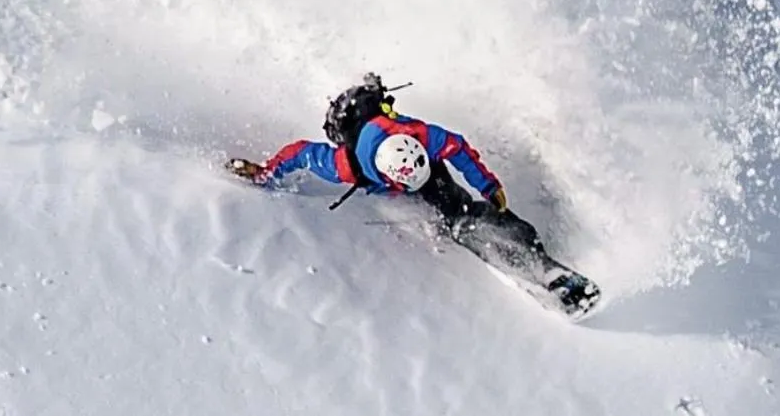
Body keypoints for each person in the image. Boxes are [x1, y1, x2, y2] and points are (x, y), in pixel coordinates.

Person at [227, 73, 597, 313]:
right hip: (363, 138)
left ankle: (538, 260)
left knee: (460, 208)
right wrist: (264, 174)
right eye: (408, 186)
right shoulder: (347, 165)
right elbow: (300, 154)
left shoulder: (421, 135)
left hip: (414, 159)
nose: (412, 189)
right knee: (453, 211)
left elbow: (459, 149)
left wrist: (490, 186)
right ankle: (474, 233)